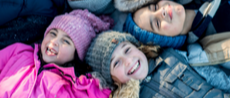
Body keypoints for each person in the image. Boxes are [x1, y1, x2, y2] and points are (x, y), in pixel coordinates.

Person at [0, 9, 113, 97]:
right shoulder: (19, 51)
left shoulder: (75, 87)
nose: (54, 41)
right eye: (53, 33)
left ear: (76, 55)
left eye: (66, 41)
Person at [85, 31, 228, 98]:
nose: (128, 61)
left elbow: (212, 75)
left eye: (127, 50)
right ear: (112, 80)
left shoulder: (170, 57)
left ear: (138, 47)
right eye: (116, 63)